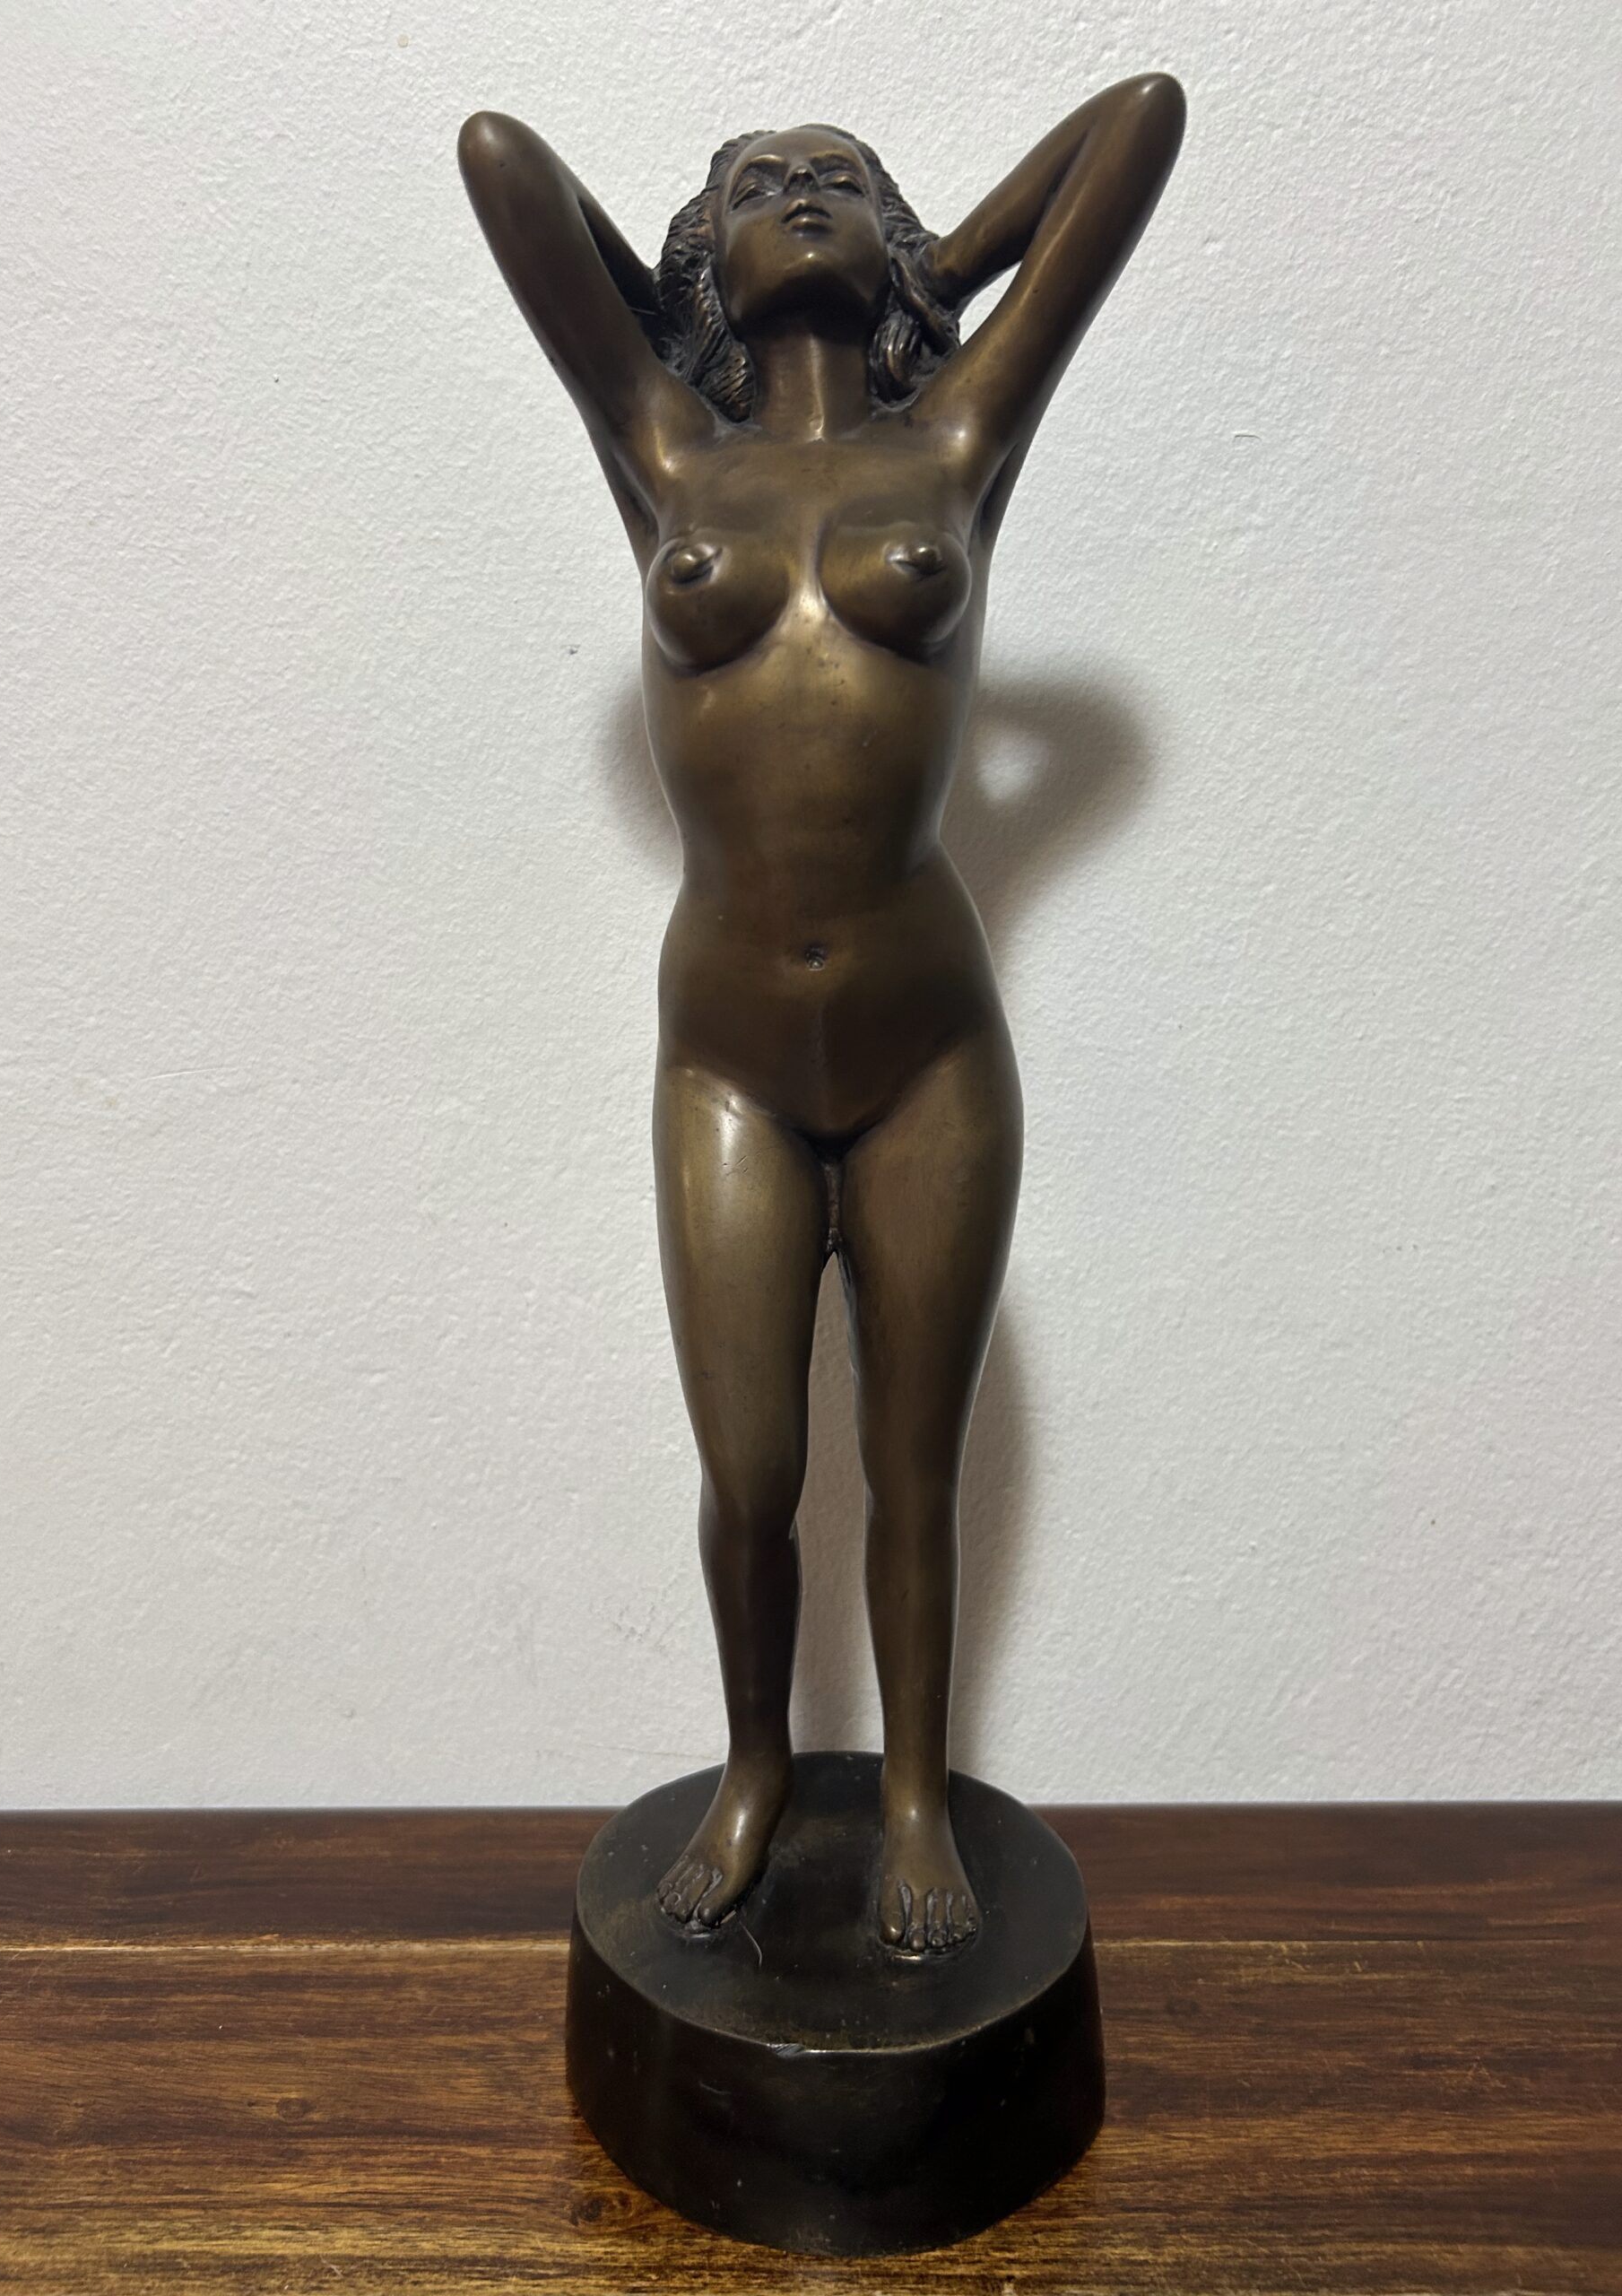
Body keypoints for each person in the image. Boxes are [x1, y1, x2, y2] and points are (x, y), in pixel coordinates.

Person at [460, 80, 1184, 1953]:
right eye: (761, 187)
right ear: (704, 255)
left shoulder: (958, 436)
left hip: (930, 1047)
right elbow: (499, 163)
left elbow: (1138, 125)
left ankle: (922, 1795)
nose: (801, 193)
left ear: (892, 242)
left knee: (915, 1466)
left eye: (839, 184)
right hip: (728, 1057)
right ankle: (757, 1767)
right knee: (754, 1473)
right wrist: (671, 299)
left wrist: (938, 264)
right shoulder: (664, 451)